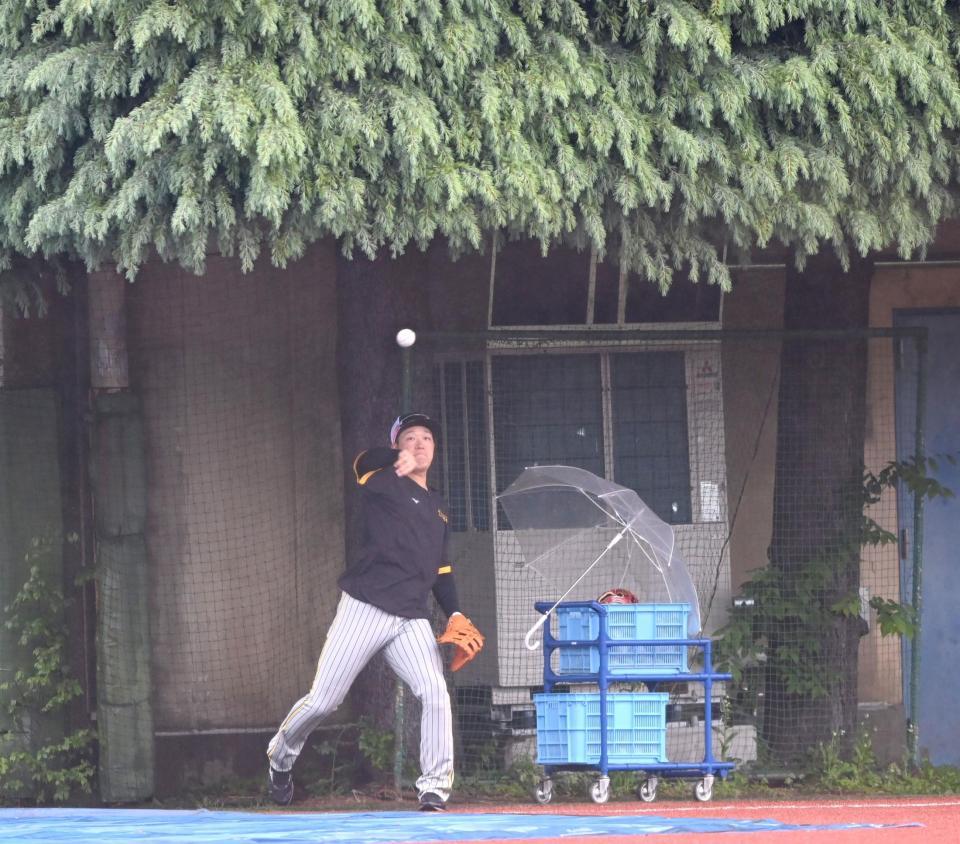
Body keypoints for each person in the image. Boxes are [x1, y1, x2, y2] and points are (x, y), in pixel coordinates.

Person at [266, 412, 484, 811]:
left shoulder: (439, 507)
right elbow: (361, 462)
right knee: (324, 701)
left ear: (435, 450)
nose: (419, 444)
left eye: (426, 438)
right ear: (397, 446)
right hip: (366, 607)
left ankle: (434, 787)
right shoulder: (382, 480)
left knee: (435, 691)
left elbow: (441, 571)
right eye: (410, 438)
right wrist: (391, 456)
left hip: (411, 617)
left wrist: (453, 613)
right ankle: (280, 756)